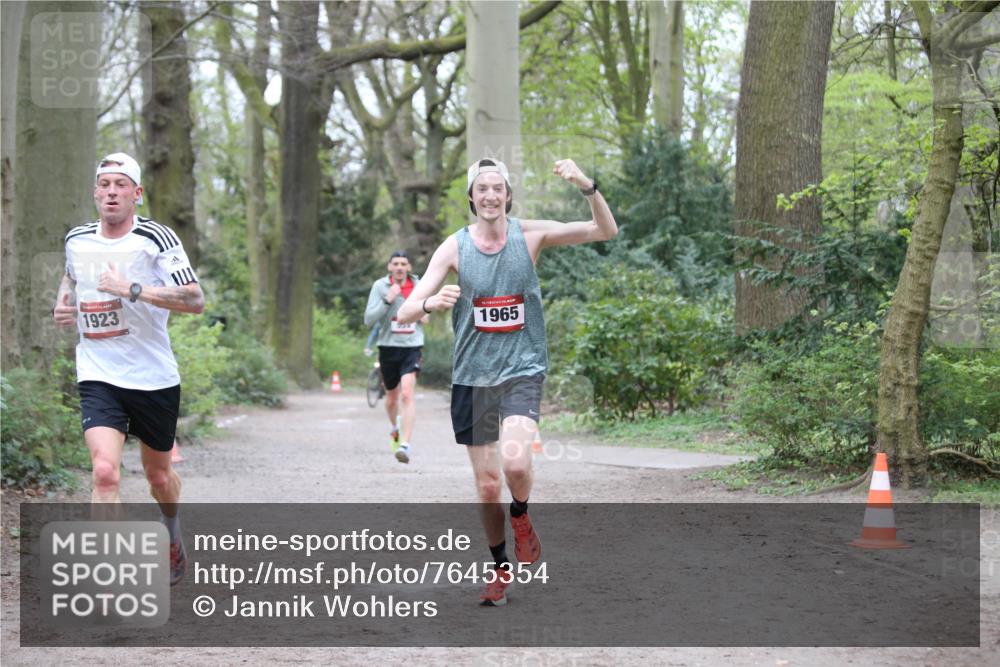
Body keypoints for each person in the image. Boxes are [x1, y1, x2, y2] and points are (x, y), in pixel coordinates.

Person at [397, 157, 617, 606]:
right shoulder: (454, 248)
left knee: (516, 465)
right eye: (482, 189)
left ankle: (521, 515)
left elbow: (605, 231)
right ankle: (500, 566)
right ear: (472, 198)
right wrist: (431, 302)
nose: (491, 196)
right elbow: (404, 310)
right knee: (486, 485)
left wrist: (585, 185)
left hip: (523, 367)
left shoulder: (530, 234)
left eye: (498, 188)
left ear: (508, 195)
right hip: (472, 377)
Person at [52, 153, 205, 586]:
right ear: (95, 192)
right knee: (104, 472)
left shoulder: (156, 237)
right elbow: (70, 276)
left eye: (121, 185)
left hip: (153, 376)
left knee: (159, 476)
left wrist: (131, 289)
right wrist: (64, 301)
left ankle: (172, 532)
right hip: (98, 372)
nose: (112, 192)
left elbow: (195, 300)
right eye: (105, 185)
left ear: (137, 193)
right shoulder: (77, 239)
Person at [363, 250, 430, 464]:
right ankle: (395, 428)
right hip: (388, 347)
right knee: (392, 399)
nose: (400, 267)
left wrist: (423, 311)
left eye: (404, 264)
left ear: (409, 267)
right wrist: (387, 300)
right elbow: (368, 319)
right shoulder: (379, 287)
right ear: (389, 267)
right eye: (396, 264)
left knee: (407, 394)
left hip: (412, 346)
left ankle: (405, 445)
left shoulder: (420, 286)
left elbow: (427, 316)